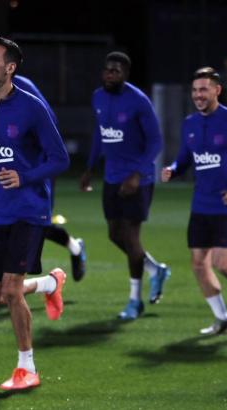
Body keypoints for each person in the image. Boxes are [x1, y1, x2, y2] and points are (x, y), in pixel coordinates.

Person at [0, 37, 69, 390]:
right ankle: (50, 283)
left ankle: (27, 368)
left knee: (11, 291)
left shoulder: (32, 108)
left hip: (29, 210)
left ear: (10, 68)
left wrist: (24, 176)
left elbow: (60, 159)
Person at [161, 67, 227, 335]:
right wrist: (173, 169)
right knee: (198, 263)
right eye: (195, 90)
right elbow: (185, 158)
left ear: (217, 90)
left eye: (204, 89)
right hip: (201, 203)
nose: (198, 95)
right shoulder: (190, 124)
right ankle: (222, 319)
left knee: (222, 263)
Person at [79, 51, 171, 320]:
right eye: (107, 70)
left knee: (131, 238)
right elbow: (100, 133)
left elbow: (156, 142)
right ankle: (156, 270)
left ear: (126, 74)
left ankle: (134, 301)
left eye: (116, 71)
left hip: (138, 180)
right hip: (111, 177)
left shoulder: (138, 101)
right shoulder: (98, 97)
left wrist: (137, 174)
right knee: (113, 234)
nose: (110, 74)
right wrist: (90, 167)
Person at [12, 74, 87, 281]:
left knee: (38, 222)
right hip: (12, 171)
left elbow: (49, 120)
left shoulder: (22, 86)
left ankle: (21, 284)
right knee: (15, 221)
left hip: (38, 167)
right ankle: (74, 247)